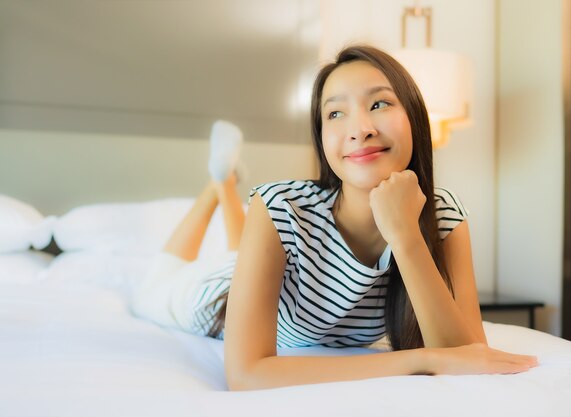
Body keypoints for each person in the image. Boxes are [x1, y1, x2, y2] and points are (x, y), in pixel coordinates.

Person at [131, 45, 539, 391]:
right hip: (214, 297)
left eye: (379, 103)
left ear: (414, 117)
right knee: (156, 282)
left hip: (278, 277)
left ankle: (223, 182)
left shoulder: (443, 214)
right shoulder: (280, 206)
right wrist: (419, 362)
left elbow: (467, 356)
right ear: (322, 139)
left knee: (240, 252)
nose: (360, 129)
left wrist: (405, 236)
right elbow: (245, 374)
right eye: (335, 114)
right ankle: (217, 187)